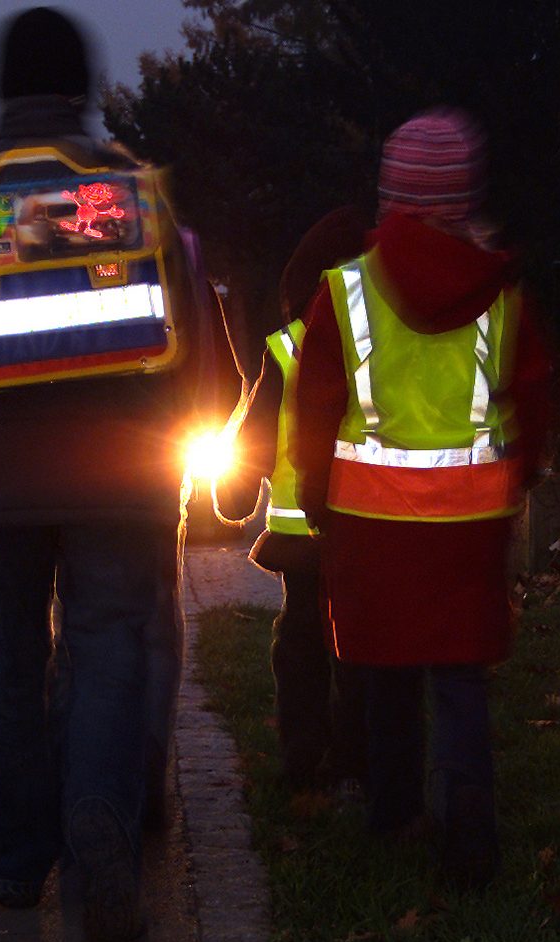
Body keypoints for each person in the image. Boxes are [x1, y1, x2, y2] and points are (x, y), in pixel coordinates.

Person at [0, 8, 237, 937]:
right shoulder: (130, 196)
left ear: (1, 91)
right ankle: (100, 826)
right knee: (105, 647)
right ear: (82, 89)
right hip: (117, 469)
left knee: (15, 647)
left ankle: (17, 858)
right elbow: (194, 340)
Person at [293, 109, 551, 888]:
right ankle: (468, 819)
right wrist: (521, 477)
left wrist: (315, 496)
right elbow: (532, 400)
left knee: (387, 670)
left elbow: (316, 408)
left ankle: (393, 813)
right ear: (464, 201)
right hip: (470, 520)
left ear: (390, 199)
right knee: (459, 672)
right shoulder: (502, 295)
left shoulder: (343, 292)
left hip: (370, 519)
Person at [214, 205, 372, 795]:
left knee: (302, 645)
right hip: (372, 525)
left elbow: (255, 434)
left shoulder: (289, 347)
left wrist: (233, 495)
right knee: (362, 647)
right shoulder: (387, 340)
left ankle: (304, 760)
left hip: (303, 538)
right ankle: (358, 761)